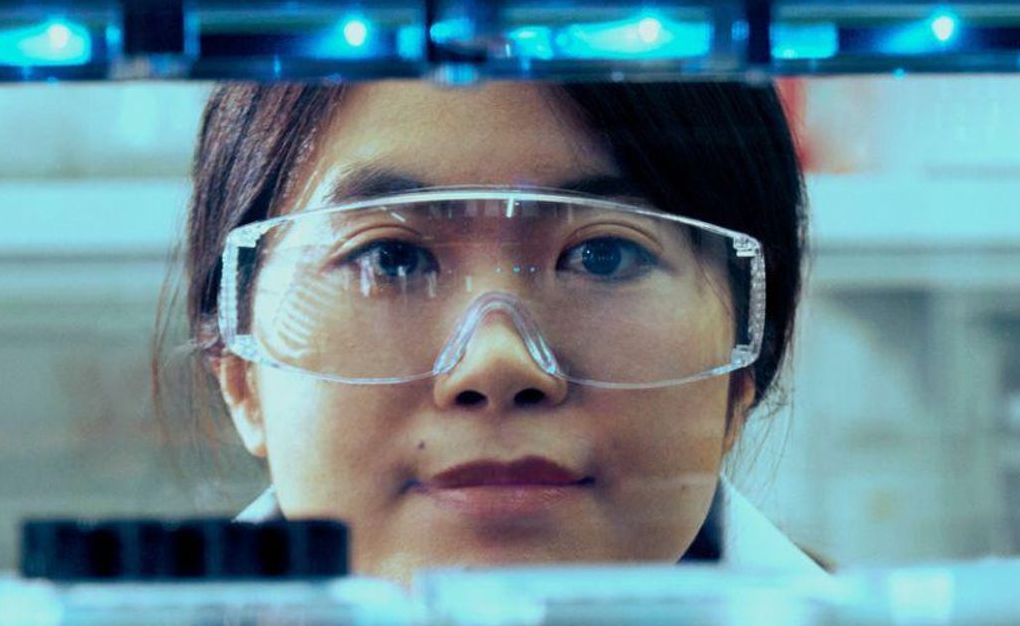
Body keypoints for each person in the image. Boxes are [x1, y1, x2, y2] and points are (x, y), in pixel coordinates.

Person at [164, 77, 818, 582]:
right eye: (391, 257)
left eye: (603, 255)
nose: (497, 363)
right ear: (239, 371)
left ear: (744, 369)